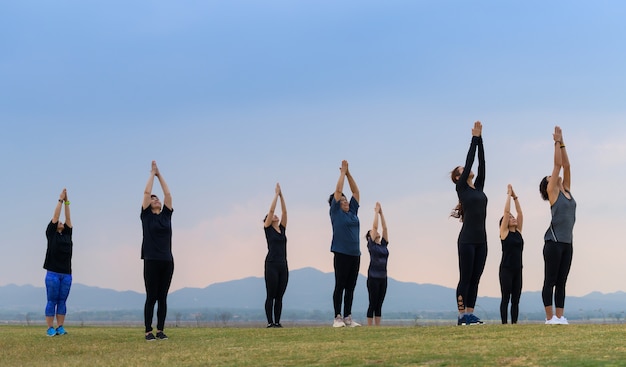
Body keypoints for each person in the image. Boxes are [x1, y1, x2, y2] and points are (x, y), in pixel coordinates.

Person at [450, 121, 487, 326]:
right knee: (465, 278)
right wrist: (473, 138)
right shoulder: (462, 189)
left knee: (475, 279)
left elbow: (481, 163)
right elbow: (470, 160)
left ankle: (470, 315)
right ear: (458, 177)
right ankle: (461, 315)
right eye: (462, 170)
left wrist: (481, 140)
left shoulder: (478, 187)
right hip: (466, 241)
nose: (466, 169)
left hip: (482, 240)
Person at [540, 126, 576, 325]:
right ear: (548, 187)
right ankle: (549, 318)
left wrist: (563, 142)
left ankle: (560, 317)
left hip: (567, 243)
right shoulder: (553, 193)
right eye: (550, 179)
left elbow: (567, 166)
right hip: (553, 243)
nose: (552, 177)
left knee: (562, 281)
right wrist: (555, 142)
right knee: (550, 281)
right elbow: (558, 166)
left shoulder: (567, 190)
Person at [141, 161, 174, 341]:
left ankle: (160, 330)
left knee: (163, 297)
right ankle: (148, 331)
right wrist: (151, 174)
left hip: (167, 261)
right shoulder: (146, 217)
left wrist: (160, 175)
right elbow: (146, 193)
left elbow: (168, 193)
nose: (156, 199)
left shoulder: (166, 215)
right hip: (151, 260)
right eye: (153, 199)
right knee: (151, 296)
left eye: (157, 198)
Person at [329, 160, 361, 327]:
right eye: (342, 200)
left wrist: (348, 173)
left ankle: (348, 317)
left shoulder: (353, 211)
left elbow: (355, 191)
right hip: (341, 253)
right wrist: (342, 173)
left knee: (351, 287)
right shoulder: (336, 213)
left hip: (355, 254)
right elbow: (339, 190)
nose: (346, 201)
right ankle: (337, 317)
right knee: (340, 285)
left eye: (346, 200)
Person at [43, 188, 73, 337]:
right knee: (52, 300)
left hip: (66, 274)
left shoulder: (67, 234)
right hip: (53, 273)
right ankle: (50, 328)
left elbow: (67, 218)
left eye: (62, 222)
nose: (61, 222)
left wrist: (67, 202)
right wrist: (60, 200)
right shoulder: (51, 234)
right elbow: (56, 216)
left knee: (62, 301)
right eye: (58, 222)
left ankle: (60, 327)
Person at [263, 183, 289, 328]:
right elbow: (272, 210)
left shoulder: (282, 229)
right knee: (270, 295)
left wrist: (281, 195)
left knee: (279, 296)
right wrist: (275, 195)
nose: (276, 215)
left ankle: (278, 322)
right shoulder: (268, 229)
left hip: (283, 264)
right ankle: (269, 322)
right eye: (272, 216)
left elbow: (285, 212)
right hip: (271, 264)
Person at [498, 184, 524, 324]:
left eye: (513, 218)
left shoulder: (518, 232)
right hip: (506, 270)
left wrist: (515, 196)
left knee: (516, 299)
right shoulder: (504, 233)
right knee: (505, 298)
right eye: (510, 218)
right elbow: (507, 212)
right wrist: (508, 194)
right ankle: (504, 324)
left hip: (518, 269)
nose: (513, 218)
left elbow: (520, 214)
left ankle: (514, 324)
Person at [366, 202, 389, 326]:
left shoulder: (384, 245)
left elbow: (384, 228)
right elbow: (374, 227)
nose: (375, 232)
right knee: (372, 303)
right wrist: (375, 212)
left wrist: (381, 213)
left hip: (383, 277)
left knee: (379, 303)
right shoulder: (372, 245)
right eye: (372, 233)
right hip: (373, 278)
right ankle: (369, 327)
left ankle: (378, 327)